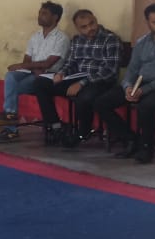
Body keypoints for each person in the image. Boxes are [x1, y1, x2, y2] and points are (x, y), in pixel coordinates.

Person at [95, 3, 155, 164]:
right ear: (148, 22)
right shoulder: (142, 42)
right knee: (101, 102)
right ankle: (131, 139)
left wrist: (145, 90)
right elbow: (132, 70)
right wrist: (127, 87)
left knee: (145, 105)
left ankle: (146, 148)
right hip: (142, 84)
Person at [32, 9, 122, 147]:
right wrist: (61, 73)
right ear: (78, 28)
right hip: (78, 77)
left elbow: (110, 70)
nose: (90, 28)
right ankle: (55, 126)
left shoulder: (110, 39)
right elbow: (71, 63)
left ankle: (83, 132)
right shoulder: (77, 40)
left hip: (101, 81)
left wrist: (82, 83)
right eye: (84, 27)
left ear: (96, 20)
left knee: (84, 96)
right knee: (40, 83)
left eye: (92, 23)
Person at [0, 1, 69, 143]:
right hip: (34, 72)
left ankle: (11, 129)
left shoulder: (61, 38)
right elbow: (27, 60)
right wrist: (33, 67)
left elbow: (48, 64)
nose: (40, 16)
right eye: (40, 13)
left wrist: (28, 66)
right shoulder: (35, 36)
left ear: (55, 17)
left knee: (13, 88)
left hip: (50, 76)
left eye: (44, 13)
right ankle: (10, 117)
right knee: (11, 76)